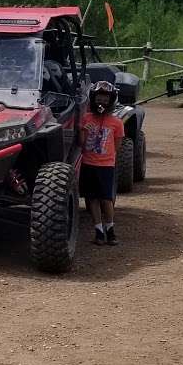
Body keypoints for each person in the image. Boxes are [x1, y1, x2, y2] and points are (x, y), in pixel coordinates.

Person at [79, 80, 124, 246]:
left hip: (106, 166)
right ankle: (98, 230)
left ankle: (110, 229)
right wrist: (85, 131)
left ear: (111, 101)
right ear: (93, 98)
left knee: (106, 199)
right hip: (88, 163)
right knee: (92, 198)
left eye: (105, 100)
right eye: (99, 98)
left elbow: (117, 145)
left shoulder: (116, 123)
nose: (102, 102)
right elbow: (81, 144)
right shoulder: (86, 118)